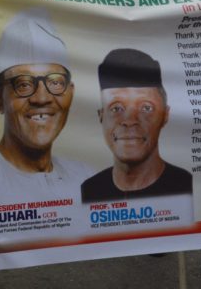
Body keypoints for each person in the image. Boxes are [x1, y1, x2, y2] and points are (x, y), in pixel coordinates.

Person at [0, 7, 93, 206]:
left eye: (55, 82)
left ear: (71, 92)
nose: (41, 98)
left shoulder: (87, 180)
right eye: (24, 84)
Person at [81, 49, 192, 202]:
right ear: (101, 116)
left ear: (165, 115)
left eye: (146, 108)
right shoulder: (89, 191)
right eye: (116, 108)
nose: (129, 120)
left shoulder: (186, 187)